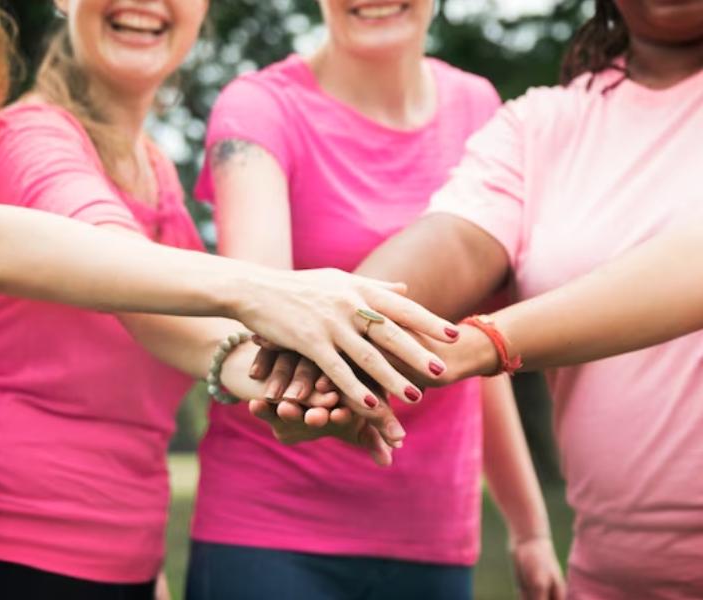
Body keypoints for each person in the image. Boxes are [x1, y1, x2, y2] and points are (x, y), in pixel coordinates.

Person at [0, 1, 456, 597]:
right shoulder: (23, 139)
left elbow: (176, 336)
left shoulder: (155, 165)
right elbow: (124, 280)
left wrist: (294, 378)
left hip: (124, 555)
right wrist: (274, 301)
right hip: (12, 553)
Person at [261, 0, 703, 596]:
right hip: (615, 573)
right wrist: (333, 341)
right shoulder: (543, 123)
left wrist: (484, 342)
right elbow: (456, 243)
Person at [189, 1, 564, 598]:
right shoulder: (259, 108)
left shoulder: (478, 107)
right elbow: (260, 299)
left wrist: (529, 527)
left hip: (432, 532)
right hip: (270, 532)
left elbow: (465, 345)